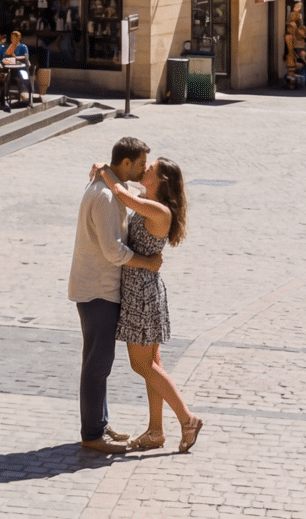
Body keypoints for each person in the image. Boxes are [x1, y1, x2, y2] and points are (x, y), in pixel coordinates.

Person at [91, 158, 201, 453]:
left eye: (150, 169)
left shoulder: (159, 211)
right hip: (142, 289)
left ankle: (187, 419)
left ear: (161, 180)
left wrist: (103, 169)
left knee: (141, 364)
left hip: (141, 294)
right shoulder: (148, 202)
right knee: (154, 364)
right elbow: (126, 192)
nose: (145, 170)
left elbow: (120, 193)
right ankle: (155, 431)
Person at [71, 138, 164, 454]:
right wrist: (148, 262)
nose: (143, 170)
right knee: (98, 363)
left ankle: (99, 422)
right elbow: (113, 251)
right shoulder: (107, 197)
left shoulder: (111, 187)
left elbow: (133, 193)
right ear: (126, 163)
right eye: (141, 164)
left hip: (98, 287)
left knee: (99, 361)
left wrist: (104, 170)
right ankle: (92, 434)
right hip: (98, 289)